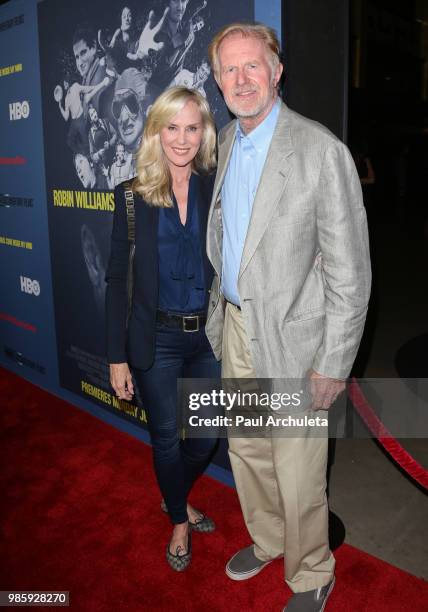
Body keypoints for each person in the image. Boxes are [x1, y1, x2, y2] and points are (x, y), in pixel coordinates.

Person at [206, 23, 371, 611]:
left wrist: (333, 362)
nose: (242, 79)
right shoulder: (225, 140)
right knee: (247, 447)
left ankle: (312, 572)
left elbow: (352, 274)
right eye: (230, 69)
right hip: (235, 327)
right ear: (218, 79)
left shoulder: (322, 151)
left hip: (297, 341)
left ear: (277, 73)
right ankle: (271, 538)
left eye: (254, 66)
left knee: (299, 467)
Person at [106, 86, 220, 571]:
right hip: (158, 340)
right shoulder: (131, 198)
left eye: (191, 127)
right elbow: (116, 280)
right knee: (168, 440)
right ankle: (178, 517)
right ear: (155, 131)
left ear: (204, 132)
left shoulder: (217, 188)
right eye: (171, 127)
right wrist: (115, 355)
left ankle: (174, 492)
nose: (181, 138)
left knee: (205, 438)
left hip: (211, 337)